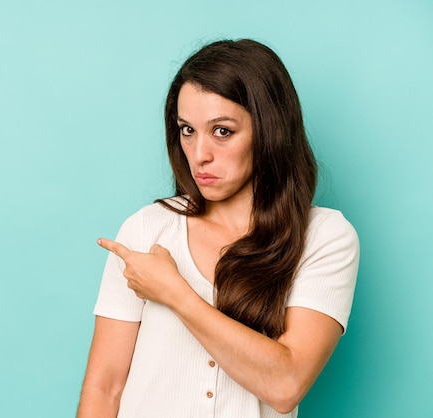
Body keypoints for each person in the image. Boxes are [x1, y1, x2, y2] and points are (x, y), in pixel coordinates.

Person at [77, 39, 359, 418]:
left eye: (222, 131)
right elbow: (104, 387)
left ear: (268, 129)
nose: (198, 154)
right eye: (187, 130)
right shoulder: (147, 230)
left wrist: (175, 293)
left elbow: (286, 384)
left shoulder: (324, 238)